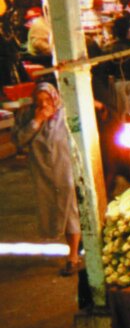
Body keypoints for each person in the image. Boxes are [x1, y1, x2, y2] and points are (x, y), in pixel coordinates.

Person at [15, 82, 80, 276]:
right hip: (42, 172)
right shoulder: (29, 117)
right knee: (52, 210)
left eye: (48, 99)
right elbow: (19, 140)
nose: (44, 105)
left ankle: (73, 256)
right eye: (39, 101)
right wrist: (37, 121)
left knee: (71, 212)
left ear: (55, 97)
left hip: (66, 168)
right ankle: (74, 248)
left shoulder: (67, 114)